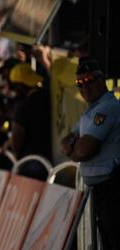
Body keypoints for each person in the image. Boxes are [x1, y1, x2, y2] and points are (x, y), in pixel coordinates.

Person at [61, 57, 120, 249]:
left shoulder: (107, 108)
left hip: (112, 187)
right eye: (80, 83)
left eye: (90, 81)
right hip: (100, 190)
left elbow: (83, 150)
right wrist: (75, 145)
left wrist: (74, 149)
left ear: (102, 80)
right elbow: (66, 139)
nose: (85, 87)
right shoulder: (90, 111)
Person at [8, 63, 51, 180]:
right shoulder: (50, 97)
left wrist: (16, 156)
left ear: (19, 86)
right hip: (56, 159)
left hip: (32, 162)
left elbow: (17, 138)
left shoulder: (23, 106)